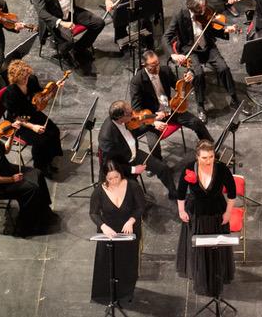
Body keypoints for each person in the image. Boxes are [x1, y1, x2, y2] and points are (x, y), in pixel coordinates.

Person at [0, 119, 54, 235]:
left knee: (37, 173)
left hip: (5, 169)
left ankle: (44, 211)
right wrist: (11, 179)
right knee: (31, 189)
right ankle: (27, 225)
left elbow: (6, 150)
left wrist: (12, 135)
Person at [176, 141, 238, 297]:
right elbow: (180, 193)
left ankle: (217, 273)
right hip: (196, 213)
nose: (208, 161)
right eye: (204, 157)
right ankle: (201, 274)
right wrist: (181, 210)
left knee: (216, 246)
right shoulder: (189, 168)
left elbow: (232, 193)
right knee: (198, 246)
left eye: (211, 157)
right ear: (197, 156)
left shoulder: (222, 169)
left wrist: (228, 213)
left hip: (217, 212)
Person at [166, 0, 242, 119]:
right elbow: (166, 37)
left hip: (207, 46)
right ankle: (201, 107)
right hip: (190, 49)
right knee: (199, 74)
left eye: (203, 7)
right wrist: (172, 55)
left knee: (224, 68)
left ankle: (234, 98)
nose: (202, 11)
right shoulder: (180, 15)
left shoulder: (207, 10)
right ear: (190, 6)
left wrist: (225, 29)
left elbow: (211, 28)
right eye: (199, 8)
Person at [32, 0, 104, 75]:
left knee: (99, 23)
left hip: (71, 11)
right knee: (67, 42)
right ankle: (65, 53)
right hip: (56, 19)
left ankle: (79, 47)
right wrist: (61, 22)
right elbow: (41, 12)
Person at [90, 159, 145, 304]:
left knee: (127, 262)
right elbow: (93, 213)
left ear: (121, 174)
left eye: (117, 177)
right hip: (108, 232)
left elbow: (140, 207)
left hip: (128, 230)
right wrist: (103, 226)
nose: (114, 181)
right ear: (105, 177)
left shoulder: (133, 186)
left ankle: (125, 293)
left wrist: (131, 220)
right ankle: (104, 295)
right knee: (106, 263)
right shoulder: (99, 191)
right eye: (110, 178)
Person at [99, 100, 178, 198]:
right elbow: (109, 165)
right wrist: (133, 169)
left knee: (163, 168)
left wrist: (153, 121)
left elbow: (139, 123)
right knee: (135, 191)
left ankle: (174, 194)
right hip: (122, 166)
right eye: (130, 113)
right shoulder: (107, 137)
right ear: (121, 117)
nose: (134, 114)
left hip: (133, 154)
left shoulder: (126, 120)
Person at [129, 49, 213, 141]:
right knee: (153, 144)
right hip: (152, 116)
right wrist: (154, 121)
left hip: (169, 108)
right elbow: (137, 111)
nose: (157, 68)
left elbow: (179, 86)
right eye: (153, 66)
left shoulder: (165, 70)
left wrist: (188, 79)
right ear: (144, 65)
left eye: (158, 64)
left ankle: (210, 149)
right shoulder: (136, 82)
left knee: (197, 122)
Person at [1, 59, 65, 171]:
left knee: (54, 130)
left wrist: (55, 87)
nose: (26, 79)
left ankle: (49, 158)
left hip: (32, 112)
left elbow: (40, 94)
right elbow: (15, 116)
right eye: (23, 77)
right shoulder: (10, 93)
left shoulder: (31, 80)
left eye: (27, 75)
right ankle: (40, 168)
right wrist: (33, 127)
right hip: (19, 122)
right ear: (15, 78)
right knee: (40, 141)